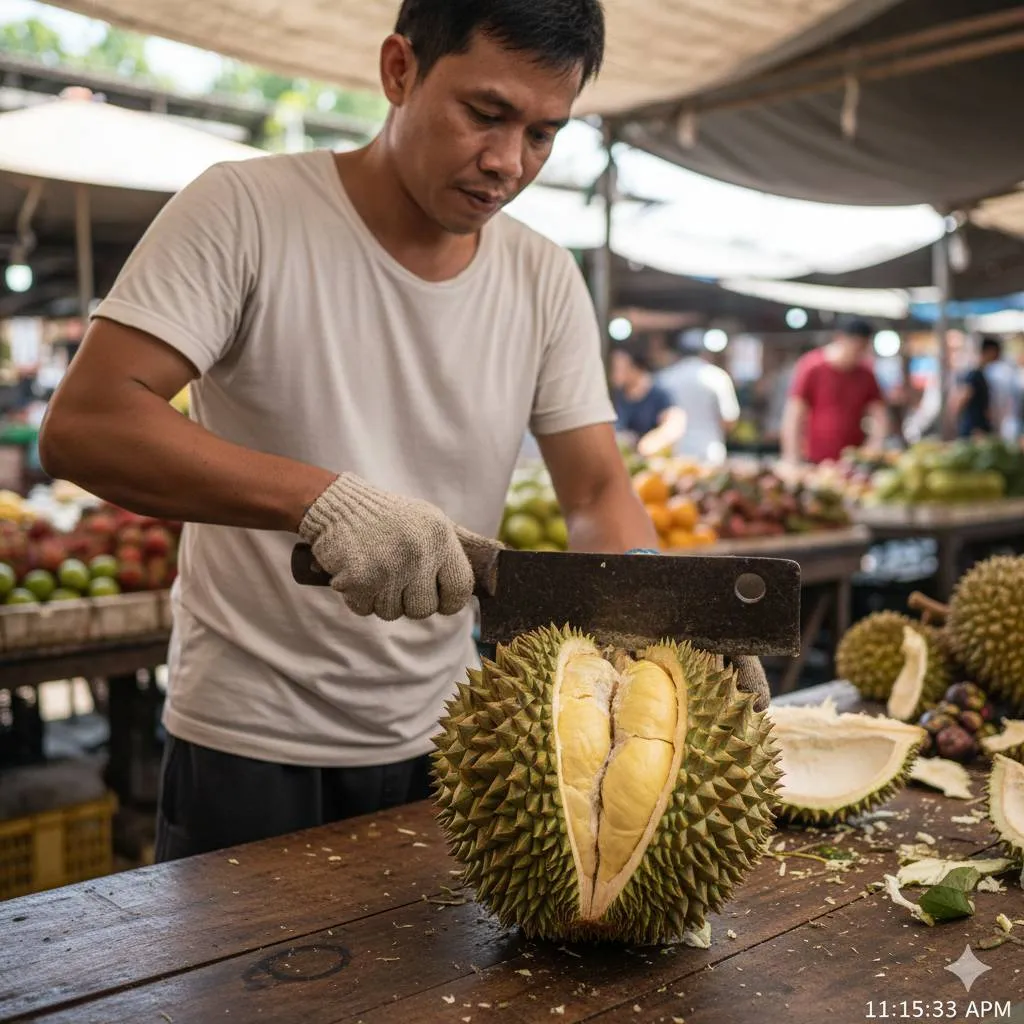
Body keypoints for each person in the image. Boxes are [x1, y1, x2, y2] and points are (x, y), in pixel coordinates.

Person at [38, 0, 769, 862]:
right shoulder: (245, 210)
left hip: (457, 740)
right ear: (399, 71)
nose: (507, 162)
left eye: (543, 134)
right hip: (249, 738)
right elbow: (89, 423)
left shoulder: (543, 277)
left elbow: (597, 488)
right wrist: (323, 502)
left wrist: (659, 622)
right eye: (485, 114)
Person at [781, 318, 888, 464]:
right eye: (855, 347)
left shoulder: (866, 373)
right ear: (840, 339)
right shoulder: (812, 366)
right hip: (815, 459)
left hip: (852, 462)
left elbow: (879, 414)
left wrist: (875, 445)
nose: (858, 354)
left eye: (863, 349)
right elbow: (794, 413)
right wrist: (791, 457)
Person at [655, 333, 740, 465]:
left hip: (674, 452)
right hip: (709, 450)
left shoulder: (665, 378)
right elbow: (729, 420)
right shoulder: (717, 377)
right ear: (704, 352)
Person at [609, 341, 687, 457]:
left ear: (636, 367)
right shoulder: (616, 394)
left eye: (620, 367)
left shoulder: (659, 392)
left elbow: (675, 422)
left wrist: (653, 442)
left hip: (652, 461)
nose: (614, 372)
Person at [951, 336, 1000, 438]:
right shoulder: (974, 375)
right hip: (974, 430)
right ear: (990, 351)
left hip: (977, 428)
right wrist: (956, 423)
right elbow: (962, 399)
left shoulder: (980, 374)